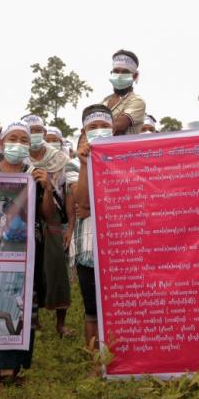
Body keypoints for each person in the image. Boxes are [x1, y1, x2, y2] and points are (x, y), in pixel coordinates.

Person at [0, 120, 58, 391]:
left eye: (24, 139)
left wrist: (46, 188)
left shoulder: (35, 174)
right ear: (1, 143)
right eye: (13, 138)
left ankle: (15, 371)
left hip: (27, 254)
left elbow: (49, 216)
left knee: (23, 309)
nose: (18, 144)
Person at [22, 115, 72, 337]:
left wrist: (70, 227)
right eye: (30, 130)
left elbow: (68, 194)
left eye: (38, 129)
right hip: (24, 219)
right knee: (30, 270)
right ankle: (34, 322)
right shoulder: (17, 159)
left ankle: (60, 324)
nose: (35, 134)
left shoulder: (59, 159)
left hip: (52, 219)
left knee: (56, 269)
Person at [74, 105, 114, 352]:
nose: (99, 131)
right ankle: (95, 362)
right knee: (92, 310)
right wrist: (84, 164)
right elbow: (82, 203)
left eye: (104, 126)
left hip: (119, 244)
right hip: (89, 247)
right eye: (93, 128)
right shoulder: (77, 161)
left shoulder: (126, 158)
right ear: (84, 131)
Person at [102, 49, 146, 136]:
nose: (119, 75)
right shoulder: (104, 102)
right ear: (111, 73)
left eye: (125, 72)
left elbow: (116, 126)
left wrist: (97, 125)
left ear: (135, 76)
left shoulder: (137, 101)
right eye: (116, 71)